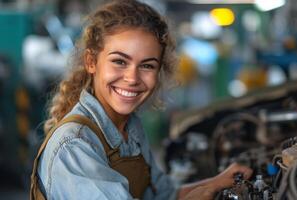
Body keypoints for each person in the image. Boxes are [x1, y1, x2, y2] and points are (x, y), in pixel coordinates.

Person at [30, 0, 252, 199]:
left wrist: (218, 181)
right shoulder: (74, 146)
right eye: (119, 61)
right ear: (91, 62)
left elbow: (165, 195)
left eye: (147, 65)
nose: (132, 78)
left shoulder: (130, 127)